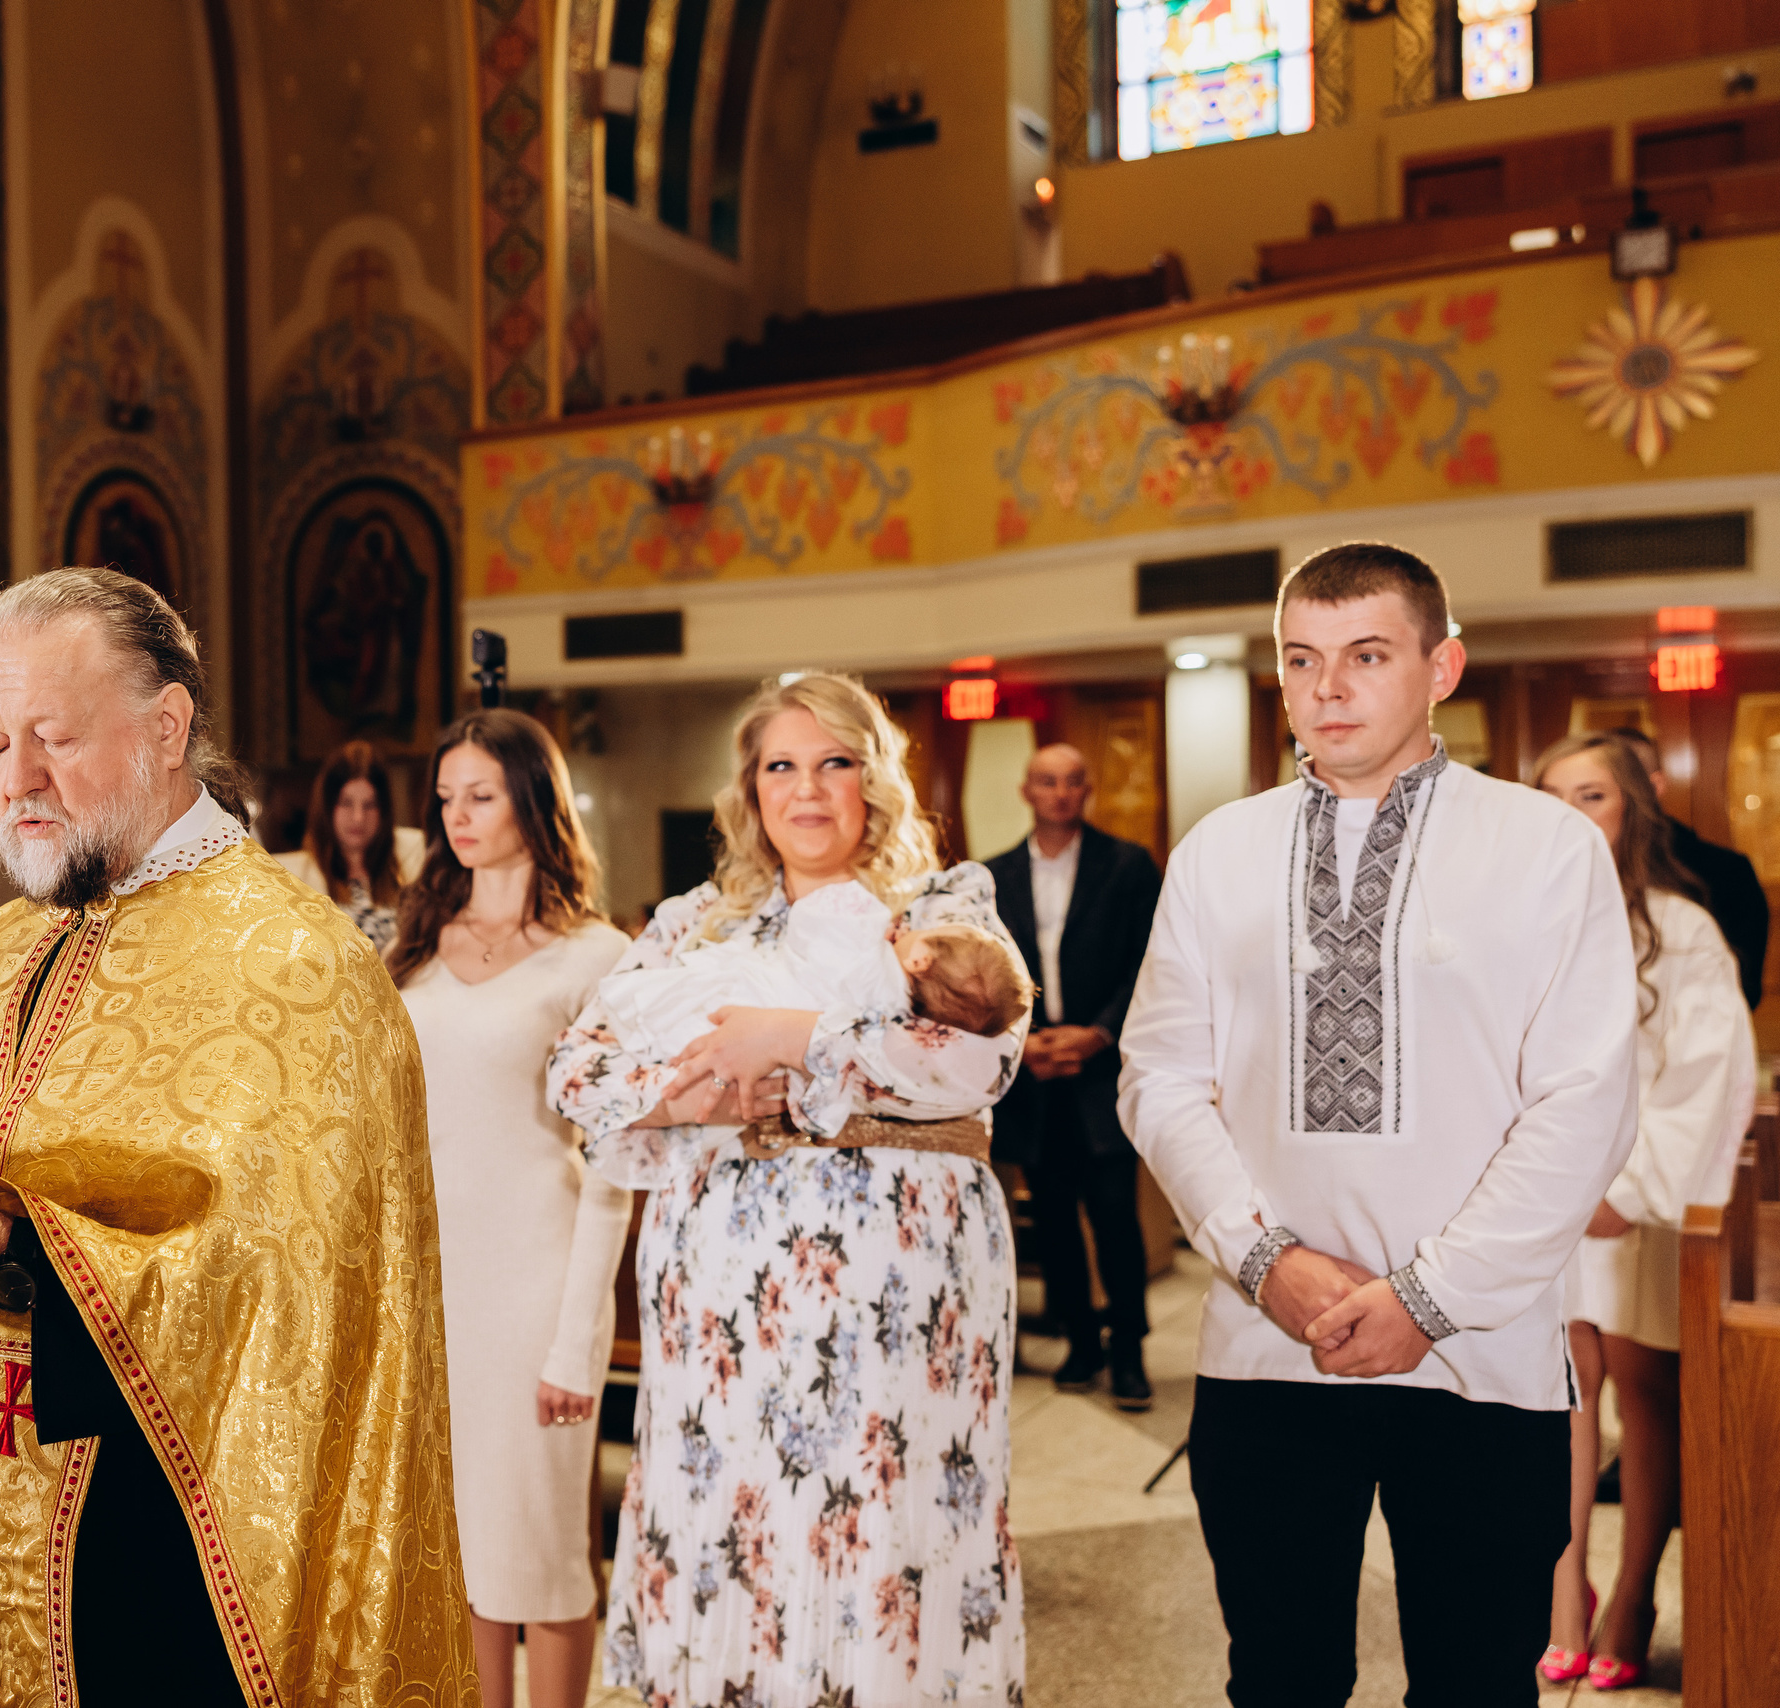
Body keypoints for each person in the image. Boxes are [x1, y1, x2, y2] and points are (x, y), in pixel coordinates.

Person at [0, 568, 476, 1706]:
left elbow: (283, 1311)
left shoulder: (297, 968)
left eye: (51, 736)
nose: (14, 781)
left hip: (134, 1572)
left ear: (168, 723)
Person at [1119, 542, 1641, 1708]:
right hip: (1266, 1347)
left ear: (1440, 664)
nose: (1328, 688)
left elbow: (1587, 1099)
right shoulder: (1218, 851)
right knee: (1280, 1678)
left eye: (1366, 655)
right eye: (1301, 659)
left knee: (1473, 1684)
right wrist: (1266, 1262)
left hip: (1479, 1356)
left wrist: (1426, 1296)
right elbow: (1158, 1075)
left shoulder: (1543, 848)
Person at [546, 671, 1033, 1708]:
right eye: (781, 766)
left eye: (833, 763)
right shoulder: (696, 922)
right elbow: (575, 1074)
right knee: (740, 1516)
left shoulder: (945, 905)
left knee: (880, 1522)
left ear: (874, 779)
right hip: (724, 1297)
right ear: (750, 788)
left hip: (897, 1297)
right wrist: (707, 1098)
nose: (806, 790)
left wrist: (799, 1041)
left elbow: (977, 1062)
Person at [387, 707, 631, 1708]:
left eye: (480, 794)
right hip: (432, 1278)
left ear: (534, 798)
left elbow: (615, 1161)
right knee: (462, 1548)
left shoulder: (597, 956)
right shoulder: (412, 945)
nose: (457, 815)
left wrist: (578, 1340)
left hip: (537, 1273)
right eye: (445, 797)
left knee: (541, 1553)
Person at [1532, 734, 1755, 1692]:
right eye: (1553, 796)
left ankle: (1633, 1591)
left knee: (1641, 1391)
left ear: (1633, 812)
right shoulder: (1520, 926)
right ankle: (1562, 1588)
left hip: (1631, 1205)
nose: (1573, 813)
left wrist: (1629, 1189)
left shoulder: (1681, 926)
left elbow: (1710, 1077)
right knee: (1558, 1392)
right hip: (1543, 1202)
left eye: (1594, 794)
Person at [987, 742, 1165, 1409]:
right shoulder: (993, 876)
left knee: (1116, 1218)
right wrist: (1022, 1041)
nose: (1059, 793)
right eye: (1046, 782)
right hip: (1032, 1072)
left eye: (1071, 781)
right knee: (1054, 1222)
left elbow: (1152, 961)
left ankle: (1128, 1352)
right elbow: (982, 974)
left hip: (1101, 1069)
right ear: (1026, 791)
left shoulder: (1127, 866)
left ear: (1086, 789)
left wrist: (1099, 1033)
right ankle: (1081, 1342)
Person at [597, 870, 1030, 1061]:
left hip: (761, 993)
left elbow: (809, 919)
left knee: (678, 1001)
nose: (908, 928)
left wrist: (875, 918)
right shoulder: (897, 1015)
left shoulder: (871, 945)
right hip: (769, 1016)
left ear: (920, 959)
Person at [1609, 725, 1767, 1009]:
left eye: (1595, 794)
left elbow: (1742, 988)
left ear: (1655, 787)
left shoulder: (1726, 872)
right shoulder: (1560, 872)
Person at [278, 737, 426, 955]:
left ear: (383, 810)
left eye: (370, 805)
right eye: (346, 803)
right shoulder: (293, 876)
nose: (358, 818)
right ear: (328, 808)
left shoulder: (413, 861)